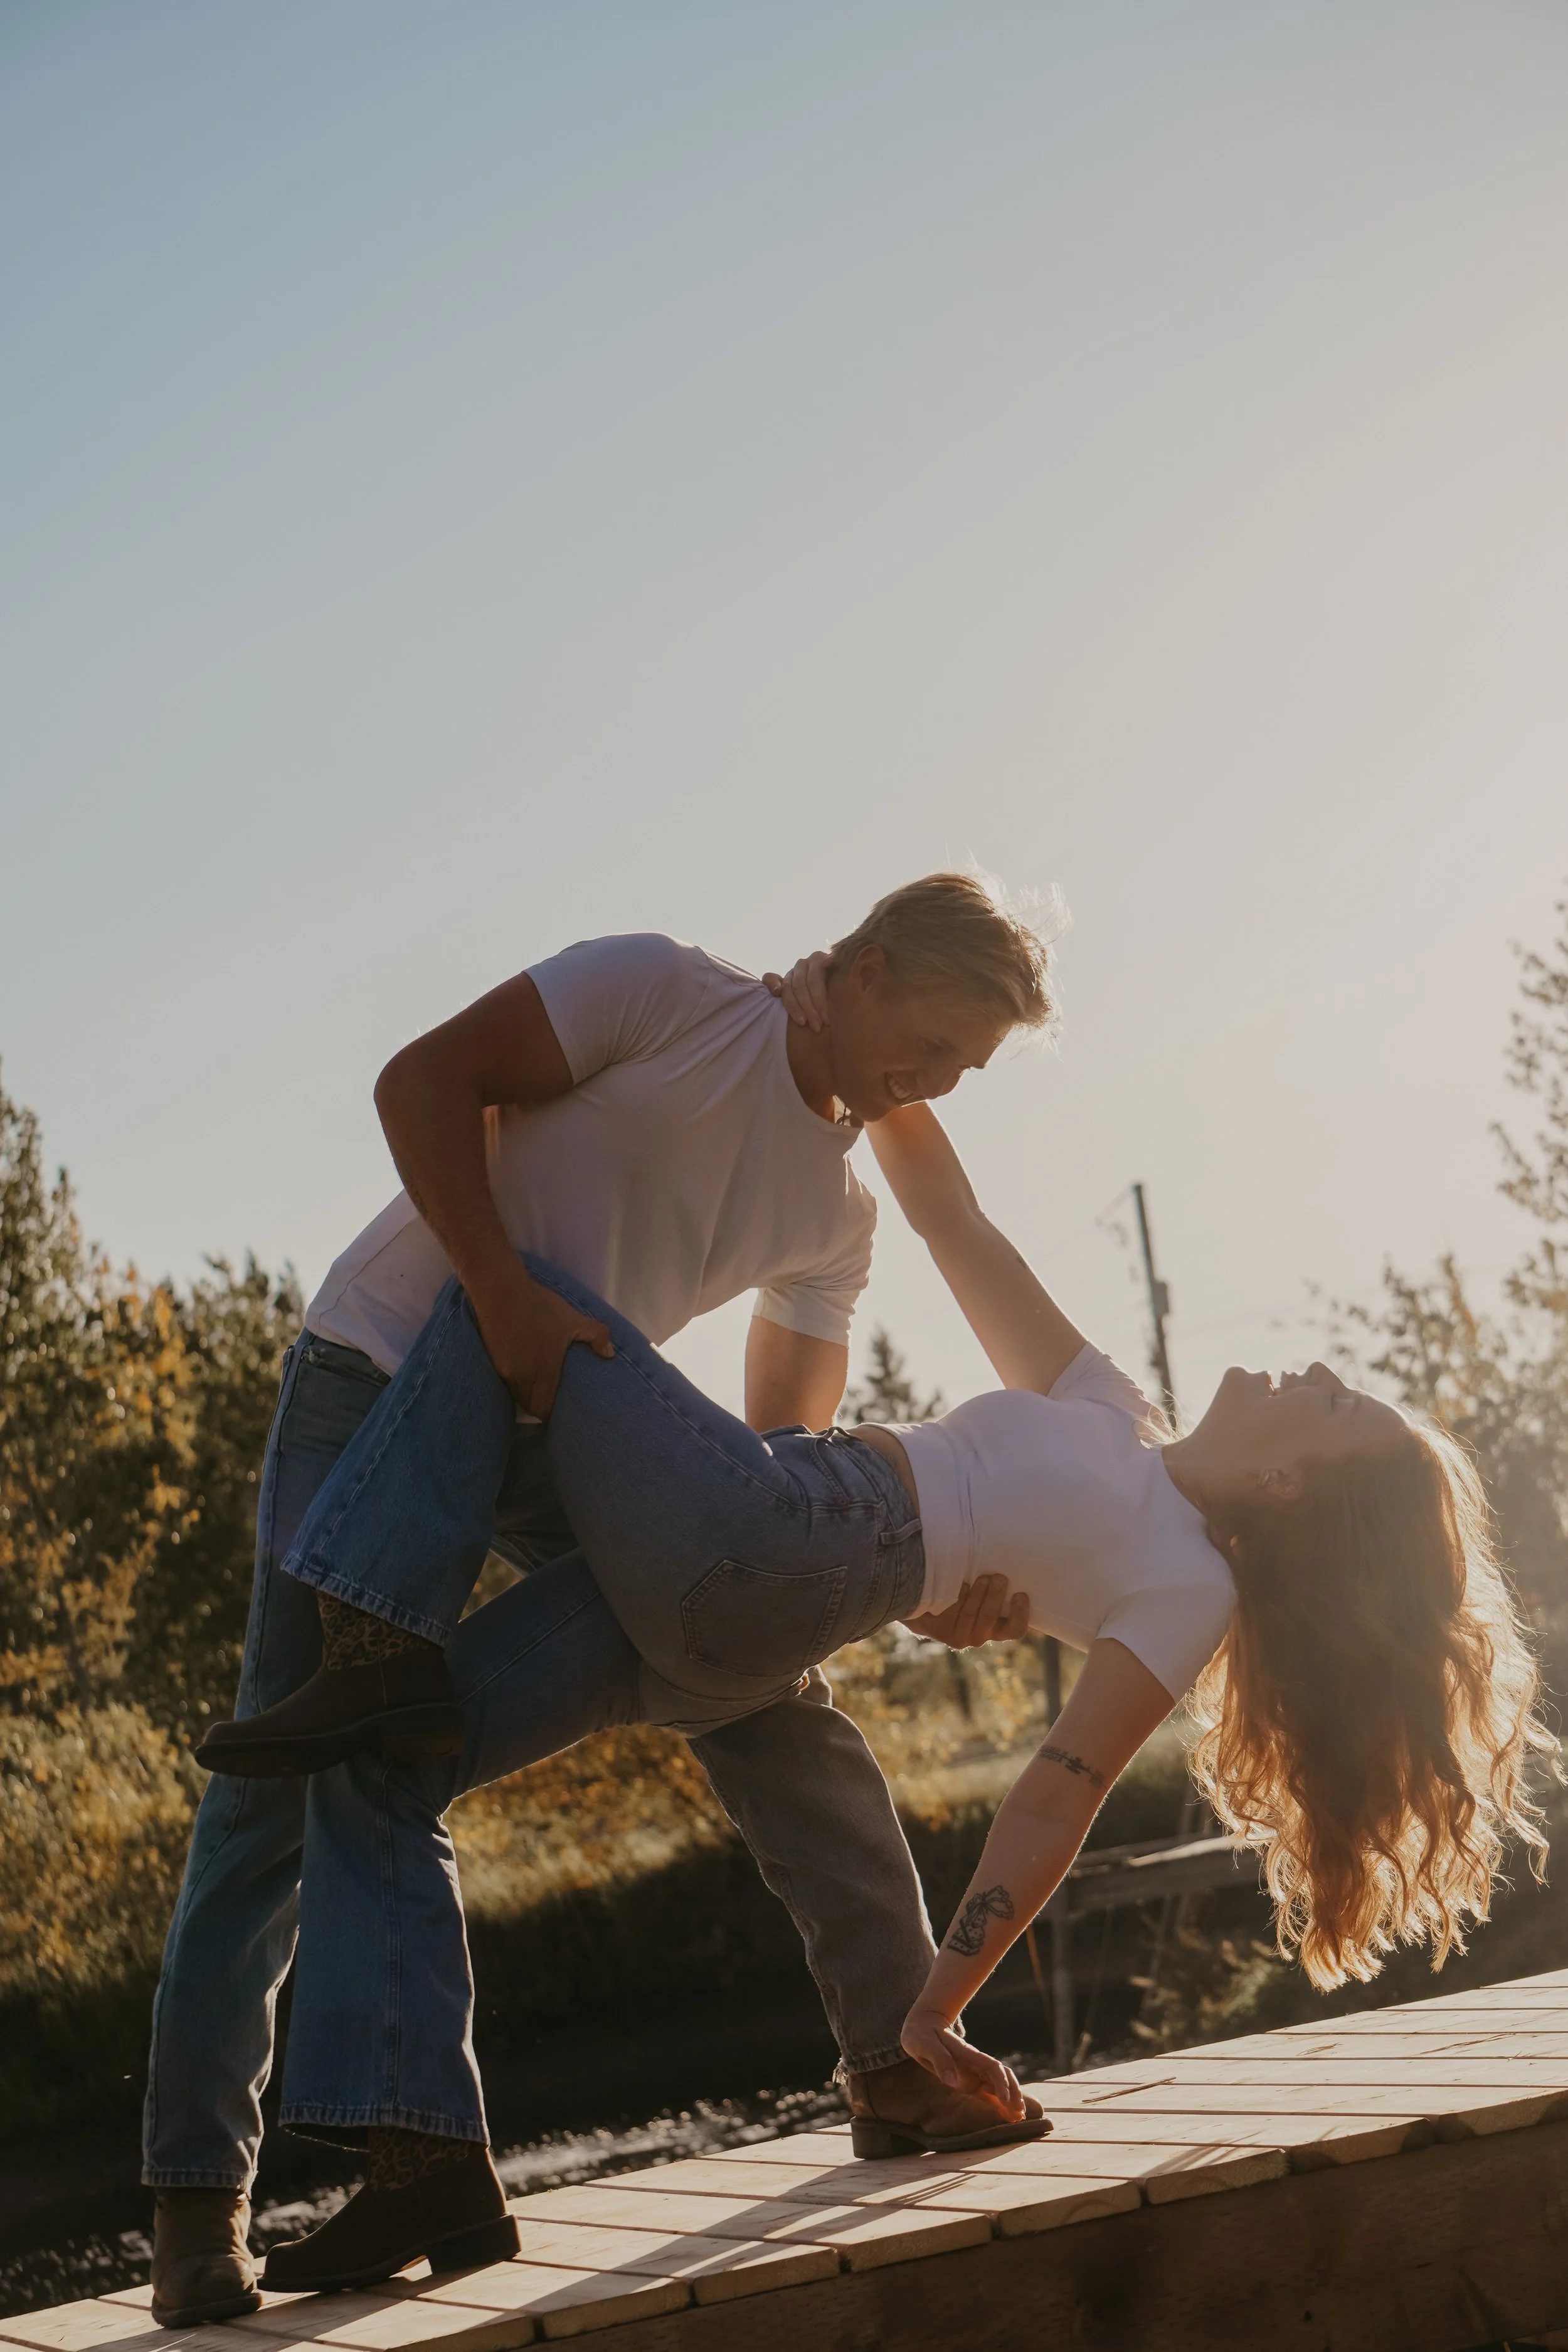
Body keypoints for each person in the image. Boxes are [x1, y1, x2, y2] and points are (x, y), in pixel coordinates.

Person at [218, 1071, 1550, 2289]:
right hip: (738, 1608)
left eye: (1328, 1408)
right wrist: (872, 1071)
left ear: (1282, 1488)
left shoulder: (1188, 1586)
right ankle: (426, 2157)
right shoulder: (1111, 1414)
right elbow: (951, 1219)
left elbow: (1060, 1791)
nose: (1314, 1369)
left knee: (512, 1290)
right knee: (392, 1751)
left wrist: (940, 2002)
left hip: (767, 1540)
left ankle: (365, 1621)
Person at [142, 874, 1051, 2329]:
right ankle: (198, 2198)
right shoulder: (661, 991)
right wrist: (497, 1288)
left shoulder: (837, 1214)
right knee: (276, 1782)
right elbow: (420, 1079)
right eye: (933, 1046)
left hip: (557, 1424)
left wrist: (877, 1585)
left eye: (965, 1074)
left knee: (764, 1684)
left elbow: (767, 1485)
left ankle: (893, 2061)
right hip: (384, 1373)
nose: (934, 1087)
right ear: (868, 966)